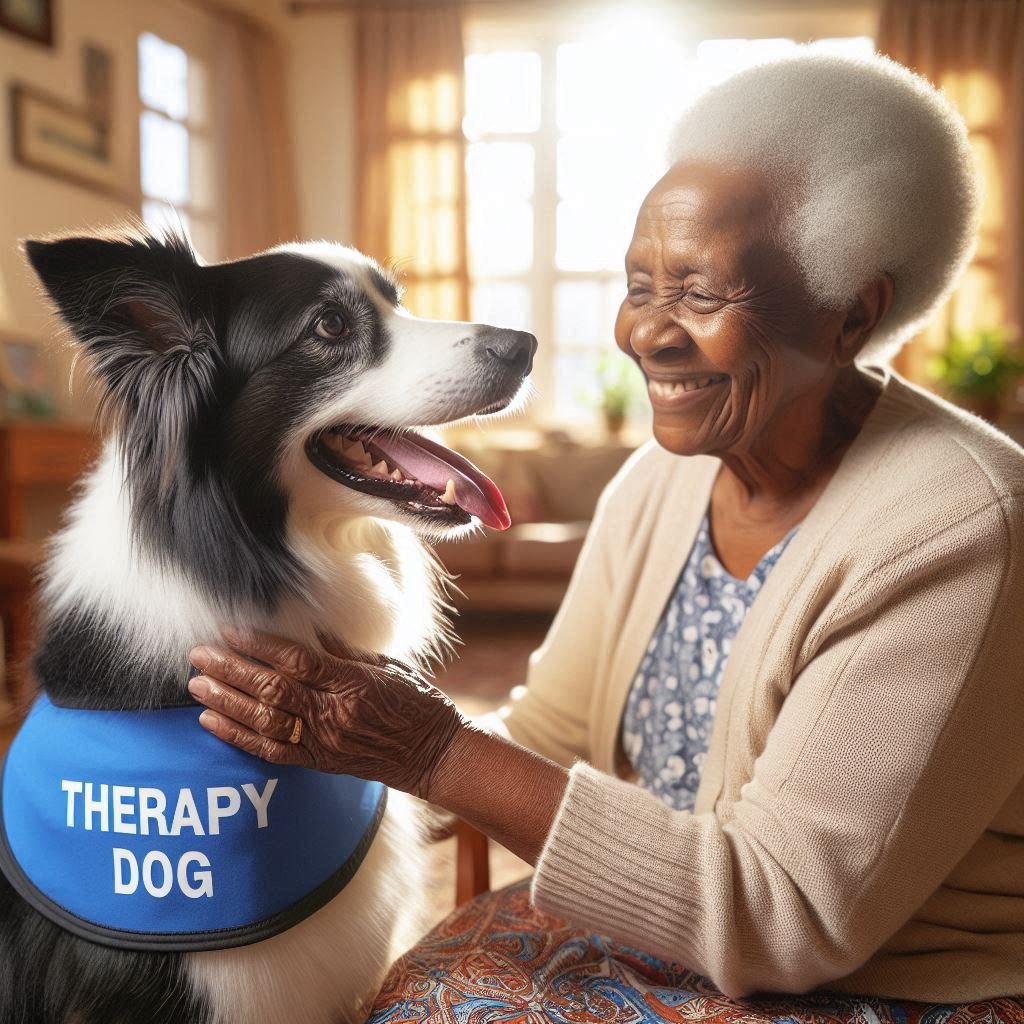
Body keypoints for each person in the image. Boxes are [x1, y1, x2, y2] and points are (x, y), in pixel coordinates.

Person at [186, 50, 1024, 1002]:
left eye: (702, 293)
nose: (648, 334)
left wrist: (428, 748)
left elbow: (786, 916)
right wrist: (252, 819)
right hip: (664, 933)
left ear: (848, 314)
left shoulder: (960, 528)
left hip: (896, 983)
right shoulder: (659, 483)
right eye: (640, 286)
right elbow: (550, 734)